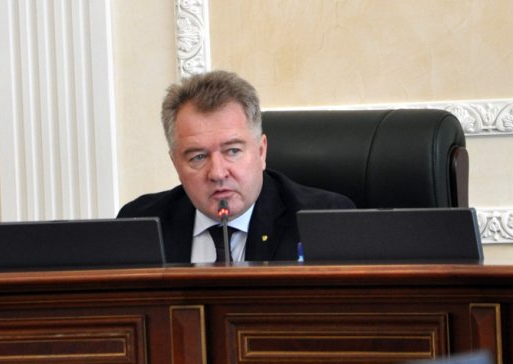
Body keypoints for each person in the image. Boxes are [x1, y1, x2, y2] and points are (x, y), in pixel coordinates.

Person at [117, 70, 355, 263]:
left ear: (261, 152)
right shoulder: (140, 224)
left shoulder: (325, 220)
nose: (217, 173)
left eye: (232, 151)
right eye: (198, 157)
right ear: (176, 164)